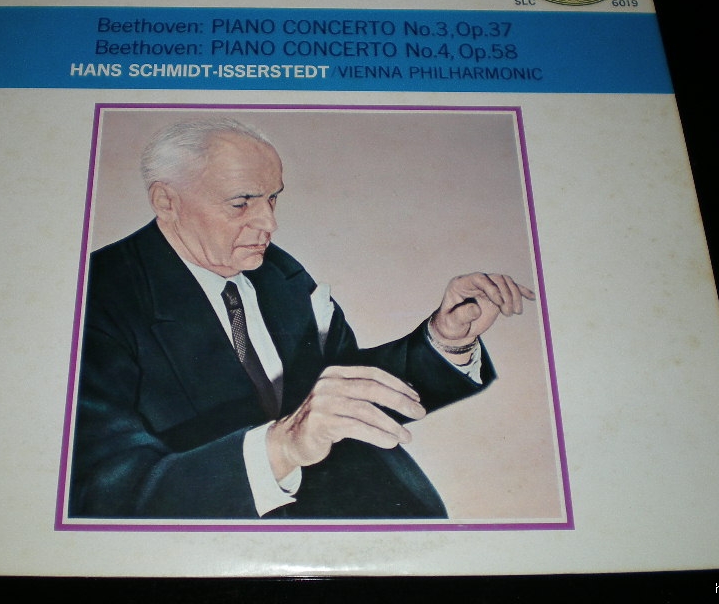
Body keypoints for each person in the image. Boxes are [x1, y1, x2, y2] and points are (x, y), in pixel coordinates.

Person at [68, 117, 534, 519]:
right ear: (166, 201)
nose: (269, 224)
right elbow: (104, 492)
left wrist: (445, 339)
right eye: (241, 203)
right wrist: (283, 446)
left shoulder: (279, 272)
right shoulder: (94, 296)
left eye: (273, 199)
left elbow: (344, 391)